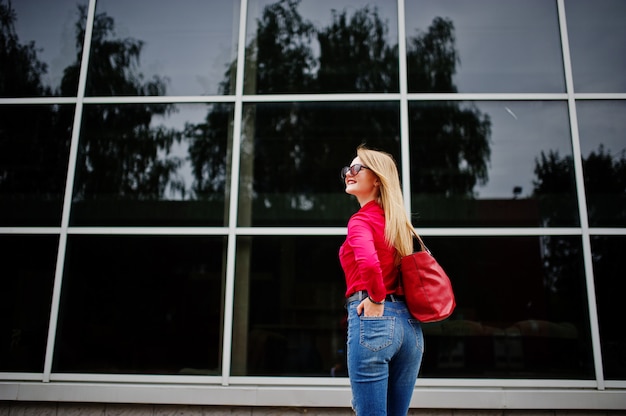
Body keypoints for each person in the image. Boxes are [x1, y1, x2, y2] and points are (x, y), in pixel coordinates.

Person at [338, 145, 424, 416]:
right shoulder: (398, 223)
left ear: (377, 178)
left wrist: (375, 298)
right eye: (346, 170)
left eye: (356, 168)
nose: (348, 174)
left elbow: (368, 263)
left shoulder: (360, 221)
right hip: (410, 328)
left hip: (376, 322)